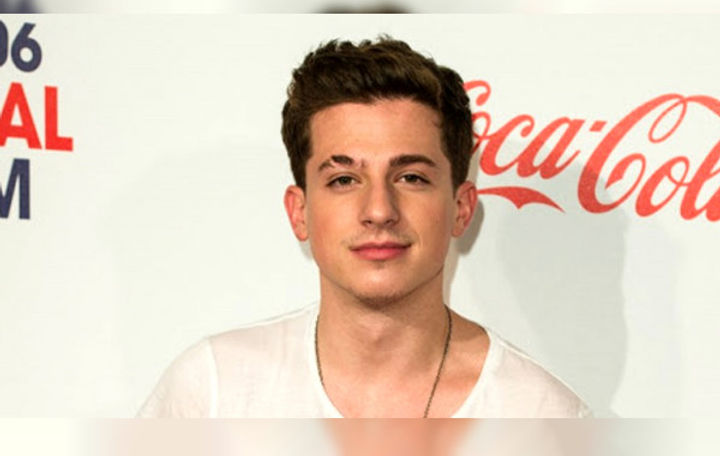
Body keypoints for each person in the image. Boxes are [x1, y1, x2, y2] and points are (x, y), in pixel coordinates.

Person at [138, 37, 590, 418]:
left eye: (410, 177)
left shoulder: (544, 418)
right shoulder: (213, 391)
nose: (378, 210)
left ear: (461, 207)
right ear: (299, 212)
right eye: (344, 180)